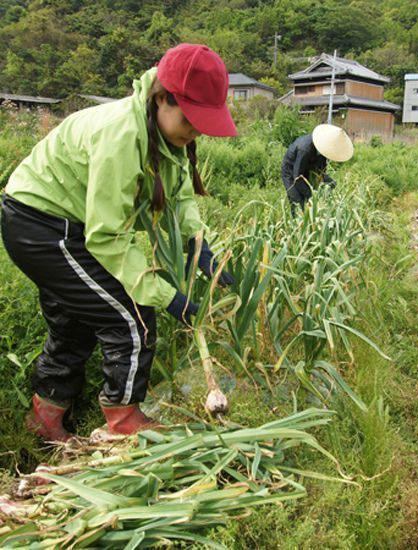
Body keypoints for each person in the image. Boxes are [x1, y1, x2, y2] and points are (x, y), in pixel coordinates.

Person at [1, 43, 236, 442]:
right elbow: (107, 236)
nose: (195, 131)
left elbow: (179, 198)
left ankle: (44, 422)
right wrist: (169, 298)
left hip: (63, 224)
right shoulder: (122, 136)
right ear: (162, 98)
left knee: (76, 322)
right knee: (131, 315)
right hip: (42, 224)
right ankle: (123, 421)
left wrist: (200, 249)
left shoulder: (165, 135)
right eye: (191, 120)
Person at [281, 124, 353, 212]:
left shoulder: (325, 148)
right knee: (298, 201)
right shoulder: (304, 149)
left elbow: (321, 170)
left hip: (309, 166)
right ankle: (298, 220)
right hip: (292, 171)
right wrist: (312, 196)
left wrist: (323, 183)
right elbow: (297, 178)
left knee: (332, 184)